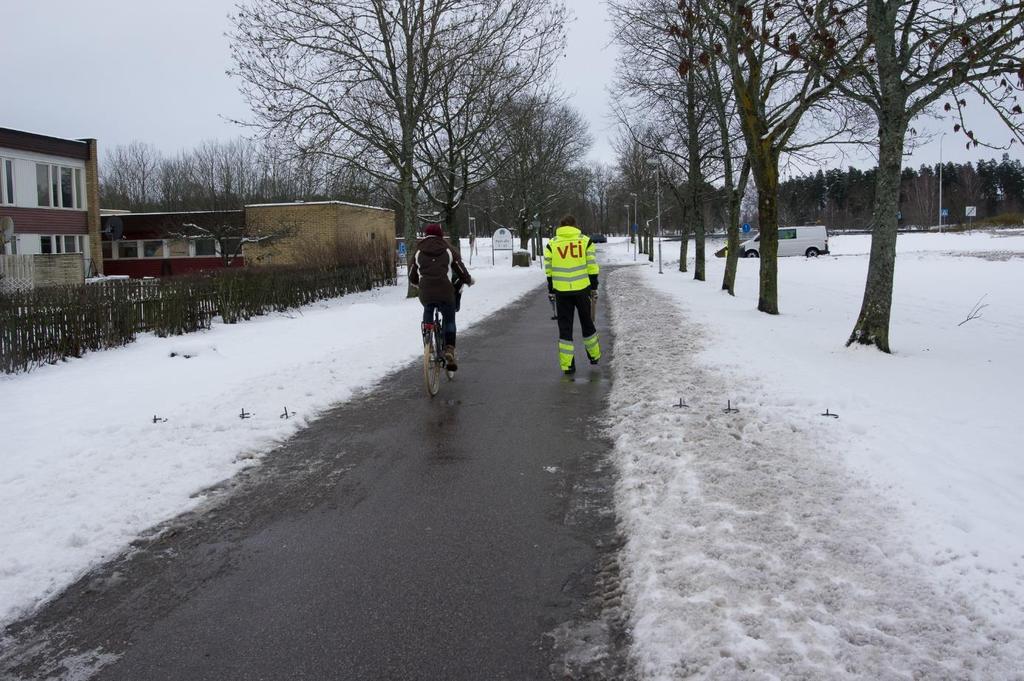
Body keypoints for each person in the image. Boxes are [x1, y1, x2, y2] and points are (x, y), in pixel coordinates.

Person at [409, 223, 473, 370]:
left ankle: (428, 343)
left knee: (428, 307)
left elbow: (412, 274)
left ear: (426, 234)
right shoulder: (448, 249)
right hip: (445, 291)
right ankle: (449, 348)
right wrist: (468, 280)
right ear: (440, 235)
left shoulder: (418, 250)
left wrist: (416, 283)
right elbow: (460, 268)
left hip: (426, 292)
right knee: (449, 319)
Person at [543, 215, 601, 375]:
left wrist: (551, 288)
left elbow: (549, 269)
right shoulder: (585, 241)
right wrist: (593, 285)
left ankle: (568, 365)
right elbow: (592, 265)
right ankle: (594, 356)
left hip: (561, 291)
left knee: (565, 328)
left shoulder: (552, 244)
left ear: (560, 226)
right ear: (575, 225)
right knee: (587, 323)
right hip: (582, 289)